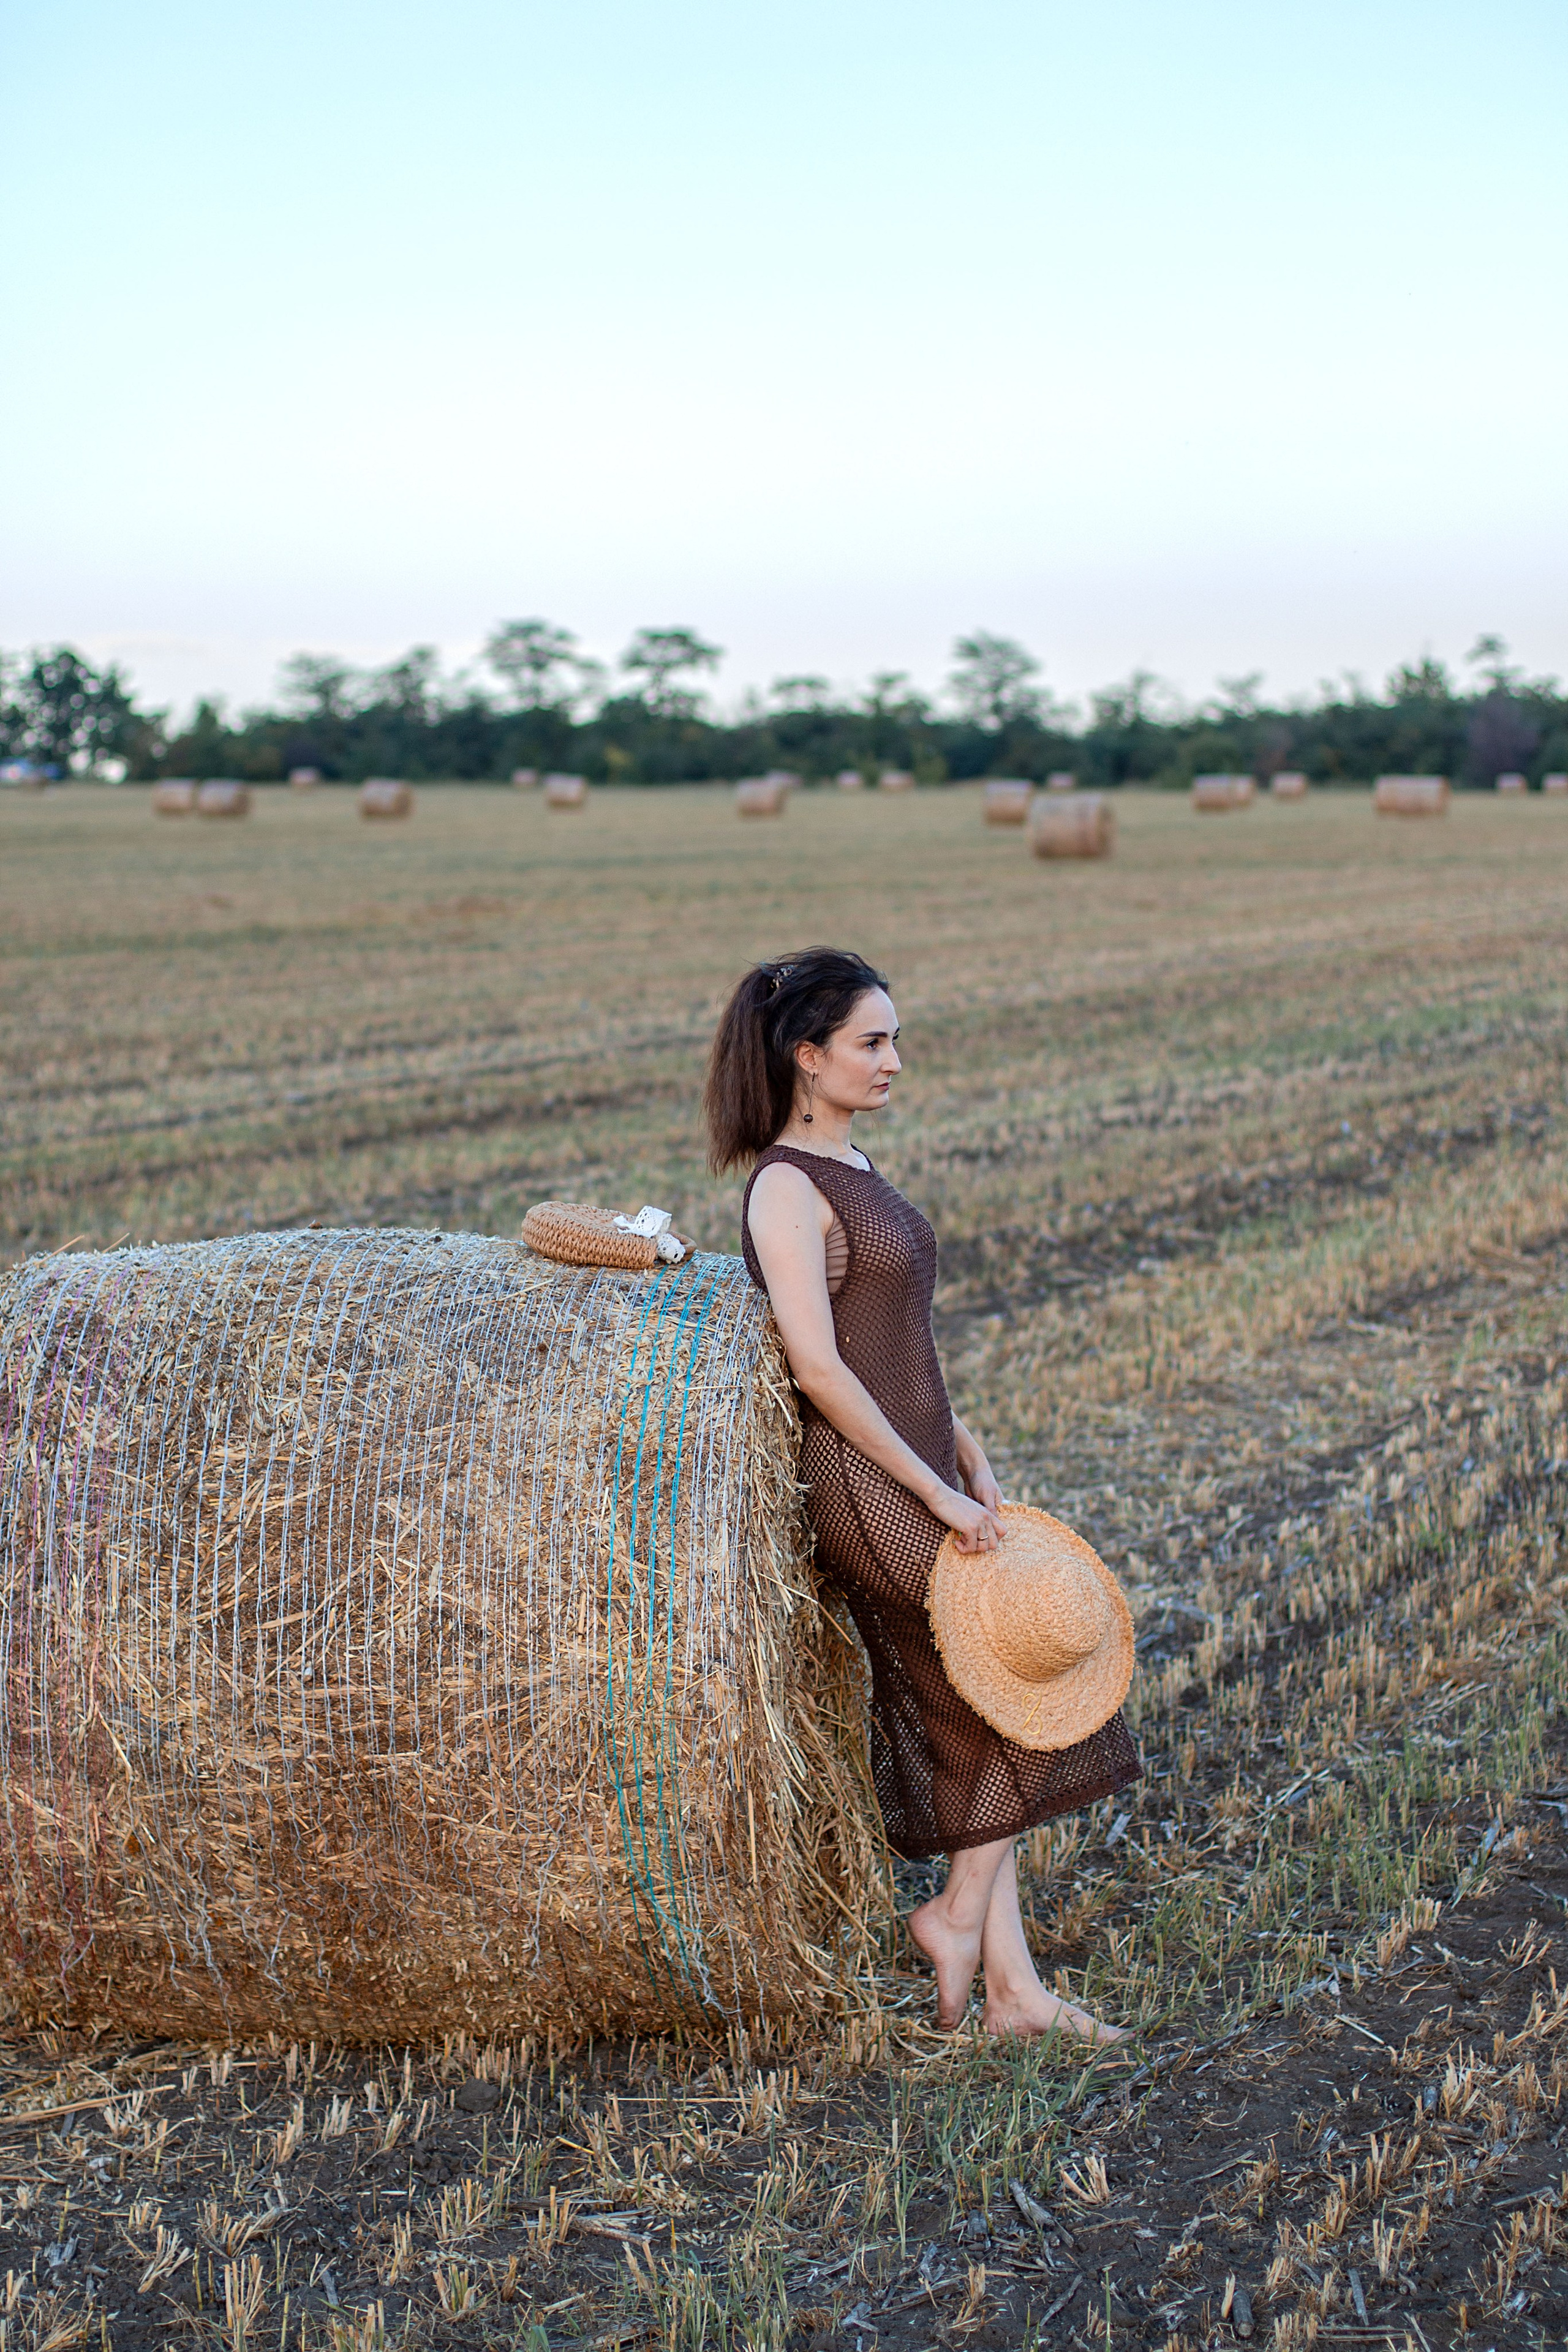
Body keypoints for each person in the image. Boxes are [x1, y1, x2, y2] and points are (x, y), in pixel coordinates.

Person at [707, 947, 1140, 2043]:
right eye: (873, 1041)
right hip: (866, 1489)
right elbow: (819, 1367)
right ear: (808, 1056)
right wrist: (935, 1497)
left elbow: (896, 1345)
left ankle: (1012, 1994)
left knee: (968, 1717)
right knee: (1018, 1691)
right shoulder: (786, 1191)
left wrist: (967, 1450)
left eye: (894, 1038)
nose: (895, 1059)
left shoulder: (854, 1168)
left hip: (919, 1470)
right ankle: (952, 1921)